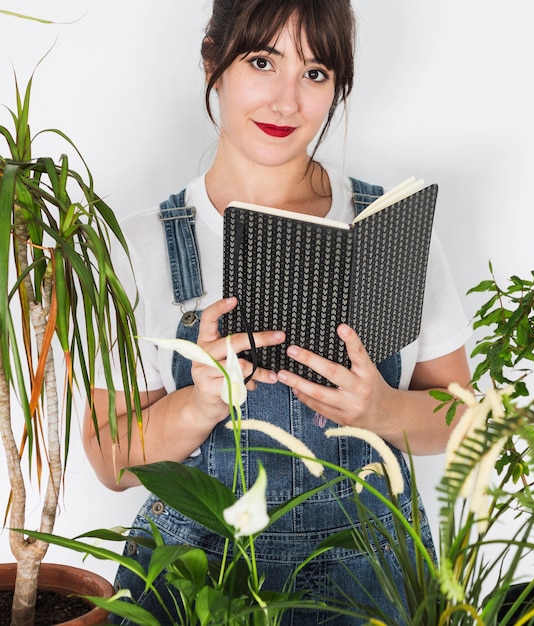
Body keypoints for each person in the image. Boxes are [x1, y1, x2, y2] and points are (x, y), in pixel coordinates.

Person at [84, 0, 472, 623]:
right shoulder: (141, 245)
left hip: (369, 576)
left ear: (337, 86)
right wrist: (200, 401)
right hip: (197, 579)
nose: (286, 102)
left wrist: (384, 410)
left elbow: (461, 417)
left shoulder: (395, 230)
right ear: (213, 62)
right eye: (263, 62)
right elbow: (109, 459)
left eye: (315, 73)